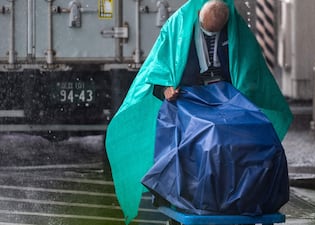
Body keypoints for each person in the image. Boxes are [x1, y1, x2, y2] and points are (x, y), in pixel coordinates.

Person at [105, 0, 293, 224]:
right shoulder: (178, 26)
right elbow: (157, 67)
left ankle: (251, 196)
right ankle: (197, 195)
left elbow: (249, 71)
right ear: (198, 17)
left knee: (258, 130)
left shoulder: (236, 29)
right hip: (188, 97)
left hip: (228, 97)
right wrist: (166, 88)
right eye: (206, 30)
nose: (211, 34)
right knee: (211, 133)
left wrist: (243, 97)